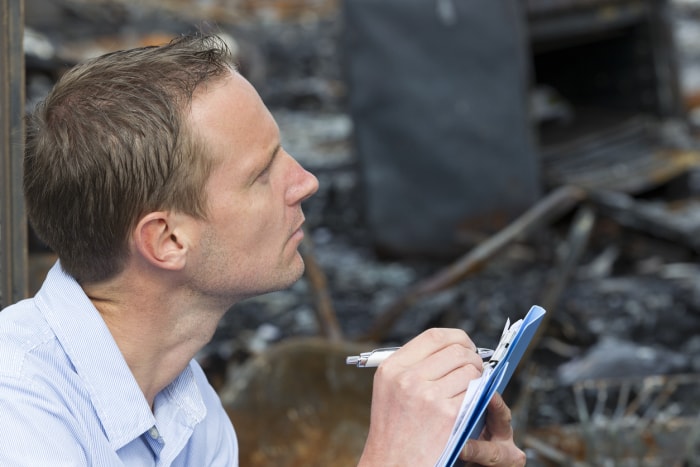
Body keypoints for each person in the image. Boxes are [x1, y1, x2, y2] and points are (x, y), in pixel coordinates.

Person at [0, 33, 526, 466]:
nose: (305, 182)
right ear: (167, 240)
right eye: (261, 173)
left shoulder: (186, 406)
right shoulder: (18, 414)